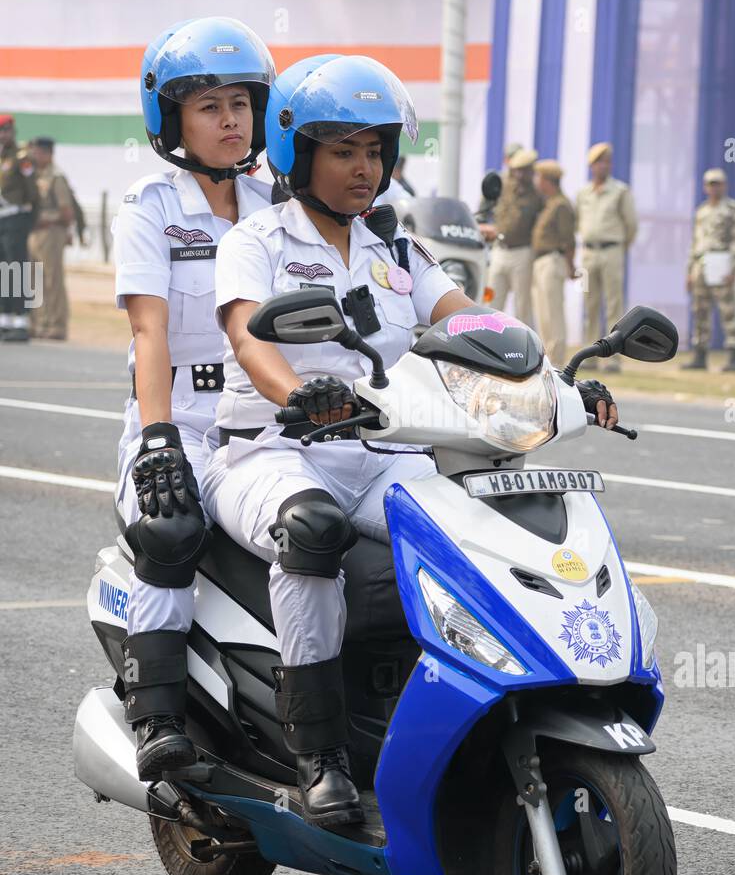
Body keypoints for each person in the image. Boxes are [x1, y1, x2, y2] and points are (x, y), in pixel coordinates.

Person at [200, 54, 619, 825]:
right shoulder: (254, 240)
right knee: (311, 531)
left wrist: (561, 381)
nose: (364, 169)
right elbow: (249, 338)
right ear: (298, 154)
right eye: (343, 151)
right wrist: (300, 394)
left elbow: (474, 319)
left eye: (374, 151)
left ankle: (443, 721)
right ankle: (319, 755)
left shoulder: (397, 248)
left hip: (381, 453)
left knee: (470, 531)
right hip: (270, 452)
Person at [113, 16, 275, 779]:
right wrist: (157, 442)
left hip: (264, 419)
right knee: (171, 529)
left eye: (240, 102)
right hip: (179, 415)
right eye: (209, 106)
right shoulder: (153, 206)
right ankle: (156, 719)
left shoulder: (283, 203)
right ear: (171, 117)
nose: (230, 120)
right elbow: (151, 335)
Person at [574, 142, 637, 371]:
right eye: (599, 162)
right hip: (589, 252)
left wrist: (619, 246)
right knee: (589, 303)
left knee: (613, 305)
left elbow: (631, 225)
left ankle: (613, 358)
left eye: (607, 161)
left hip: (611, 251)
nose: (604, 166)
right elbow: (577, 221)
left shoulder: (620, 191)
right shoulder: (583, 194)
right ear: (592, 166)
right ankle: (590, 354)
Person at [683, 168, 735, 372]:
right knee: (700, 310)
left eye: (717, 183)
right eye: (710, 184)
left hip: (721, 260)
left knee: (728, 311)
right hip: (701, 262)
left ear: (724, 186)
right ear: (705, 187)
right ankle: (700, 354)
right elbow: (694, 242)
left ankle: (734, 354)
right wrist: (690, 271)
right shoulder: (702, 211)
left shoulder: (732, 209)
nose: (714, 188)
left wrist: (733, 268)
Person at [484, 147, 542, 325]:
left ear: (531, 171)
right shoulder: (503, 187)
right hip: (500, 250)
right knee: (490, 300)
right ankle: (487, 339)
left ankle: (523, 346)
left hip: (522, 252)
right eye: (515, 170)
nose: (518, 175)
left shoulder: (537, 196)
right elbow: (488, 208)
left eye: (523, 170)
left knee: (522, 305)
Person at [25, 137, 75, 341]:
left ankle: (56, 325)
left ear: (48, 153)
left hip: (52, 233)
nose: (34, 156)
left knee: (53, 280)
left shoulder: (56, 177)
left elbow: (66, 212)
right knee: (34, 280)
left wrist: (46, 218)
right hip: (35, 233)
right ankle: (38, 323)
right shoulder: (32, 176)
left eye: (38, 152)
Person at [531, 159, 576, 367]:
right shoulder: (549, 203)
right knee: (544, 315)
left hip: (553, 260)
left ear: (548, 181)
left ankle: (557, 362)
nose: (536, 181)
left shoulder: (561, 205)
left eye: (539, 177)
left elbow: (569, 239)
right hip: (541, 261)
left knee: (553, 315)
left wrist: (571, 265)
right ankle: (549, 360)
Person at [0, 114, 40, 342]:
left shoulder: (21, 157)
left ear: (11, 132)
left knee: (16, 270)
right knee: (3, 269)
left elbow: (32, 192)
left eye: (5, 131)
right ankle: (5, 320)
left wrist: (28, 219)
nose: (2, 135)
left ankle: (21, 322)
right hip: (2, 219)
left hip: (16, 218)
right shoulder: (3, 156)